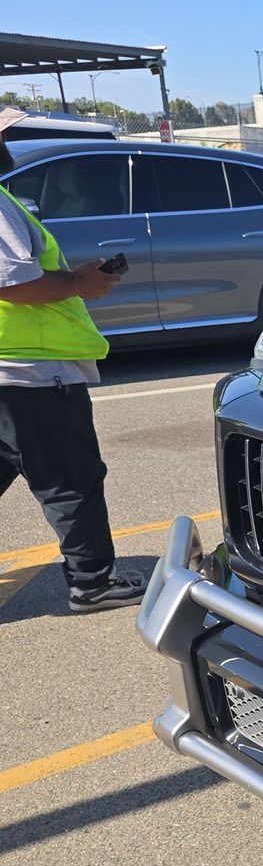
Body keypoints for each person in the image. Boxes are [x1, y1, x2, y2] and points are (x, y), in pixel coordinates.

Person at [0, 108, 145, 612]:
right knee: (69, 479)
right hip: (30, 370)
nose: (8, 145)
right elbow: (15, 282)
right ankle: (93, 582)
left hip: (12, 368)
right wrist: (82, 283)